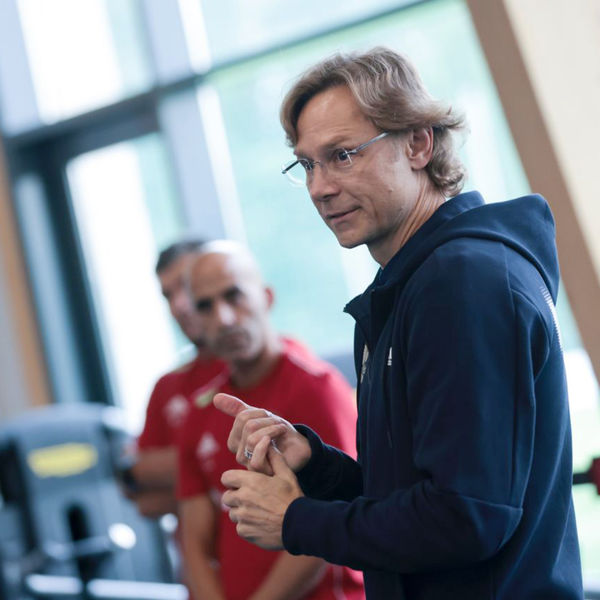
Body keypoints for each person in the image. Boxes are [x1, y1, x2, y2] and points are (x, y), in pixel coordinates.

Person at [214, 48, 584, 599]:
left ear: (418, 144)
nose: (319, 188)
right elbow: (421, 497)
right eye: (308, 164)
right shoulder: (411, 285)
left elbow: (467, 517)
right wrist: (316, 467)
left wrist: (297, 521)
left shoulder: (462, 282)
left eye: (342, 155)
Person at [176, 240, 365, 600]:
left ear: (266, 297)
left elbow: (337, 515)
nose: (223, 318)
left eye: (234, 295)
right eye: (205, 305)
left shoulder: (317, 388)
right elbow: (194, 539)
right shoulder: (202, 409)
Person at [121, 239, 224, 518]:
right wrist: (212, 467)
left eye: (186, 286)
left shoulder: (269, 365)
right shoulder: (167, 387)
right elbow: (146, 502)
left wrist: (165, 469)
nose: (179, 305)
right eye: (168, 295)